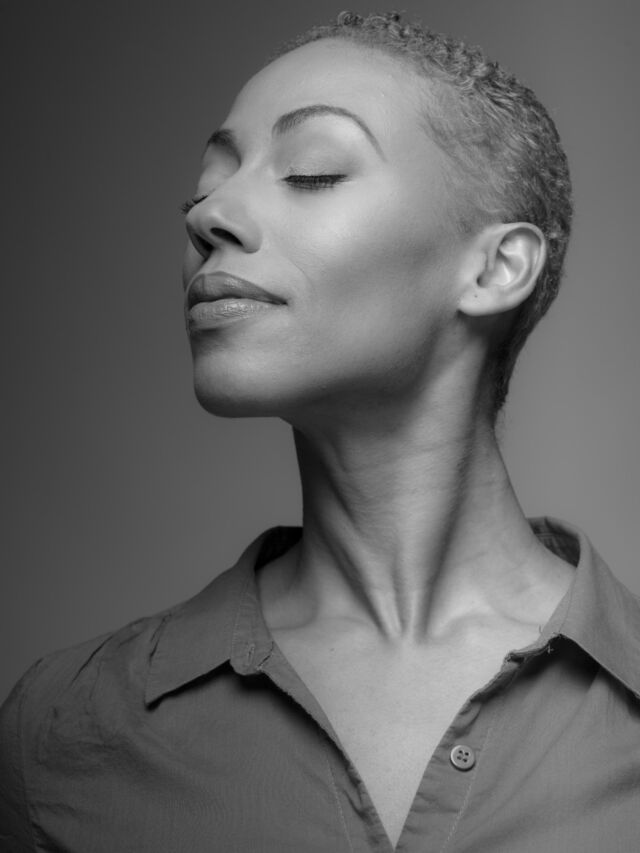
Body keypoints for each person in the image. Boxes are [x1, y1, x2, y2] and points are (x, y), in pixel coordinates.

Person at [1, 10, 639, 853]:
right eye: (203, 188)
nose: (210, 214)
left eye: (311, 172)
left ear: (495, 268)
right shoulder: (60, 733)